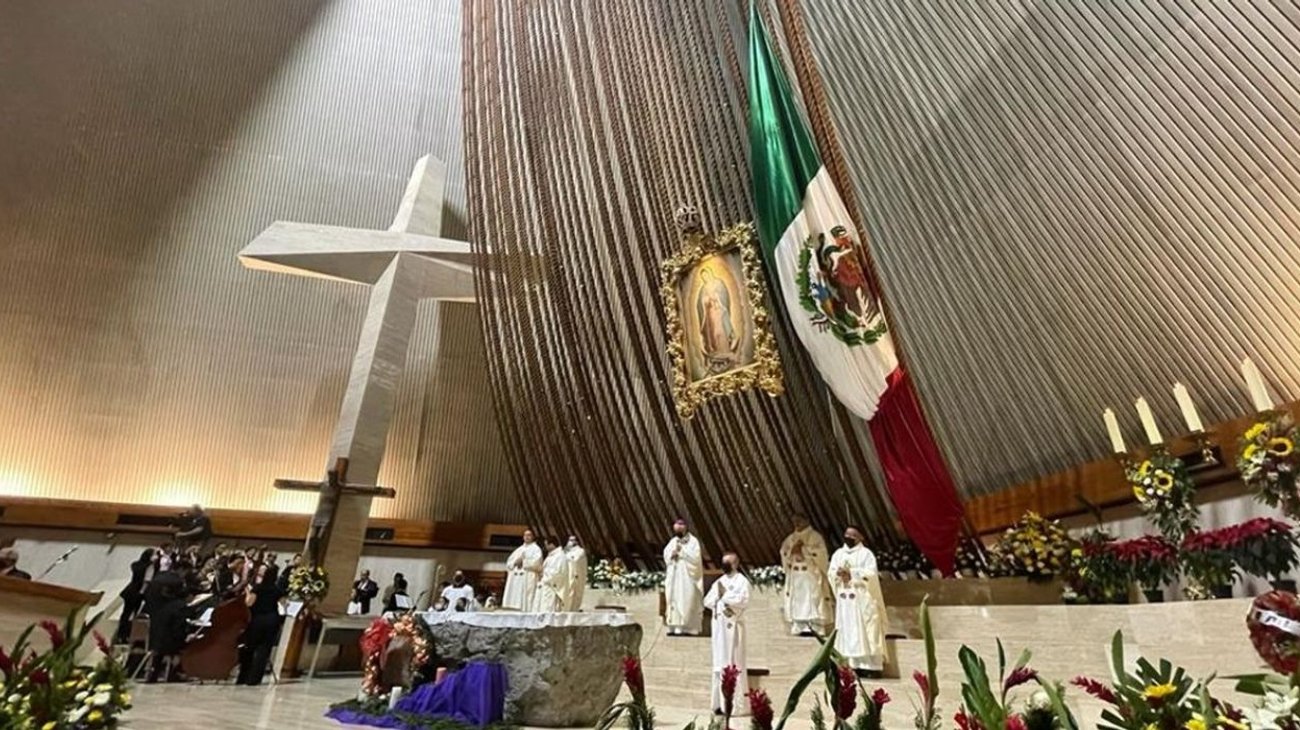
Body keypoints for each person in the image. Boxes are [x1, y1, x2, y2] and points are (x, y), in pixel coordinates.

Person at [827, 527, 887, 677]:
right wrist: (838, 574)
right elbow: (831, 572)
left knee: (867, 631)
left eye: (852, 535)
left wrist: (852, 574)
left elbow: (871, 574)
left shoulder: (866, 554)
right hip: (845, 600)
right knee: (847, 631)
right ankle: (852, 666)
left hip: (862, 599)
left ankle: (870, 667)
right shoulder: (838, 554)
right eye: (846, 534)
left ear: (860, 537)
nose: (848, 537)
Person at [703, 552, 751, 716]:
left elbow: (743, 601)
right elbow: (707, 601)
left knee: (733, 663)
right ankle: (718, 704)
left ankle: (735, 707)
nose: (724, 565)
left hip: (733, 629)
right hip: (719, 630)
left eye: (728, 562)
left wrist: (725, 596)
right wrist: (718, 598)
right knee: (719, 664)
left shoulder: (742, 581)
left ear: (736, 563)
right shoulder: (719, 581)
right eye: (723, 562)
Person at [780, 514, 830, 635]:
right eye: (794, 521)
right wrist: (791, 552)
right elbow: (784, 551)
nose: (797, 523)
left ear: (806, 520)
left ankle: (815, 625)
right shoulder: (791, 538)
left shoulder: (815, 537)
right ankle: (799, 624)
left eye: (799, 521)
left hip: (810, 573)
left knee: (813, 598)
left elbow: (821, 553)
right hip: (796, 573)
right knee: (797, 599)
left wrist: (804, 550)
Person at [236, 563, 283, 685]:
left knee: (250, 648)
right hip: (272, 619)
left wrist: (247, 594)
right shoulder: (277, 589)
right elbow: (284, 604)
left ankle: (243, 677)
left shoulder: (258, 588)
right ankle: (255, 679)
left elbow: (249, 603)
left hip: (257, 619)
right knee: (264, 650)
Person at [662, 519, 703, 635]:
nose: (679, 529)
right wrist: (671, 555)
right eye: (676, 528)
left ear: (686, 527)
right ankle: (674, 625)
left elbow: (696, 559)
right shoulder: (673, 541)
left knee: (687, 598)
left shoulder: (693, 541)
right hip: (674, 577)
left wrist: (682, 553)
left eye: (681, 526)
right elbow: (666, 555)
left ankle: (689, 627)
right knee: (673, 599)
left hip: (687, 578)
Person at [116, 548, 157, 642]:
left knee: (125, 613)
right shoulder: (150, 566)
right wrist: (142, 593)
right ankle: (129, 635)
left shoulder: (135, 564)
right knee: (136, 614)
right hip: (138, 592)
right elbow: (147, 581)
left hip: (130, 591)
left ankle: (120, 635)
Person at [502, 530, 543, 611]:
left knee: (527, 599)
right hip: (516, 580)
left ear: (533, 537)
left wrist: (524, 562)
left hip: (528, 578)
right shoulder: (519, 549)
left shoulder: (536, 549)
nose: (527, 537)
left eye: (529, 535)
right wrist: (514, 562)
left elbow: (537, 563)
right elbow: (509, 563)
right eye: (525, 535)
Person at [534, 537, 570, 613]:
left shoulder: (560, 556)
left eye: (546, 545)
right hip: (544, 586)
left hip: (551, 588)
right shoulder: (551, 556)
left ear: (552, 545)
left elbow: (558, 573)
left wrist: (543, 571)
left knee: (548, 609)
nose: (545, 547)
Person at [564, 536, 588, 612]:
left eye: (572, 540)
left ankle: (573, 609)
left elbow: (575, 560)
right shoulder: (566, 551)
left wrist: (567, 555)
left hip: (575, 575)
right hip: (566, 575)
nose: (570, 542)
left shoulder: (580, 551)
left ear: (576, 541)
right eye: (569, 540)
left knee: (574, 594)